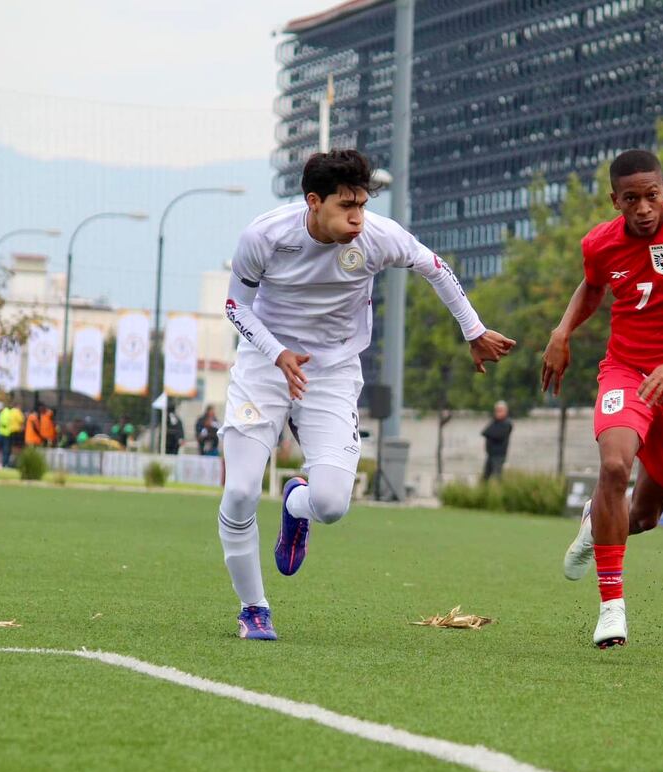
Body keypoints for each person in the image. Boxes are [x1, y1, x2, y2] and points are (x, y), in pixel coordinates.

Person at [217, 148, 514, 640]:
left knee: (332, 504)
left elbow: (435, 266)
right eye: (346, 205)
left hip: (332, 372)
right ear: (314, 202)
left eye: (361, 204)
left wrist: (474, 330)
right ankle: (254, 608)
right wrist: (277, 352)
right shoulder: (264, 236)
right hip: (264, 366)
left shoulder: (378, 236)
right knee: (241, 490)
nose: (357, 217)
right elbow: (236, 306)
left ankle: (296, 505)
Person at [541, 149, 663, 649]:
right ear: (616, 201)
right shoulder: (601, 243)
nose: (644, 208)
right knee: (614, 467)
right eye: (631, 199)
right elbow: (593, 286)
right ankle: (612, 608)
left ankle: (595, 525)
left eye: (652, 195)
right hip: (626, 370)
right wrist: (562, 331)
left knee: (645, 517)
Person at [481, 400, 512, 481]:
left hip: (499, 455)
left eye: (500, 411)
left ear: (505, 411)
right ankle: (483, 489)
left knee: (497, 476)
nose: (498, 413)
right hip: (490, 454)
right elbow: (484, 432)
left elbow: (498, 435)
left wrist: (490, 434)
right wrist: (490, 433)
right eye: (497, 410)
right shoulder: (494, 422)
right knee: (485, 477)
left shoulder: (507, 423)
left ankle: (500, 489)